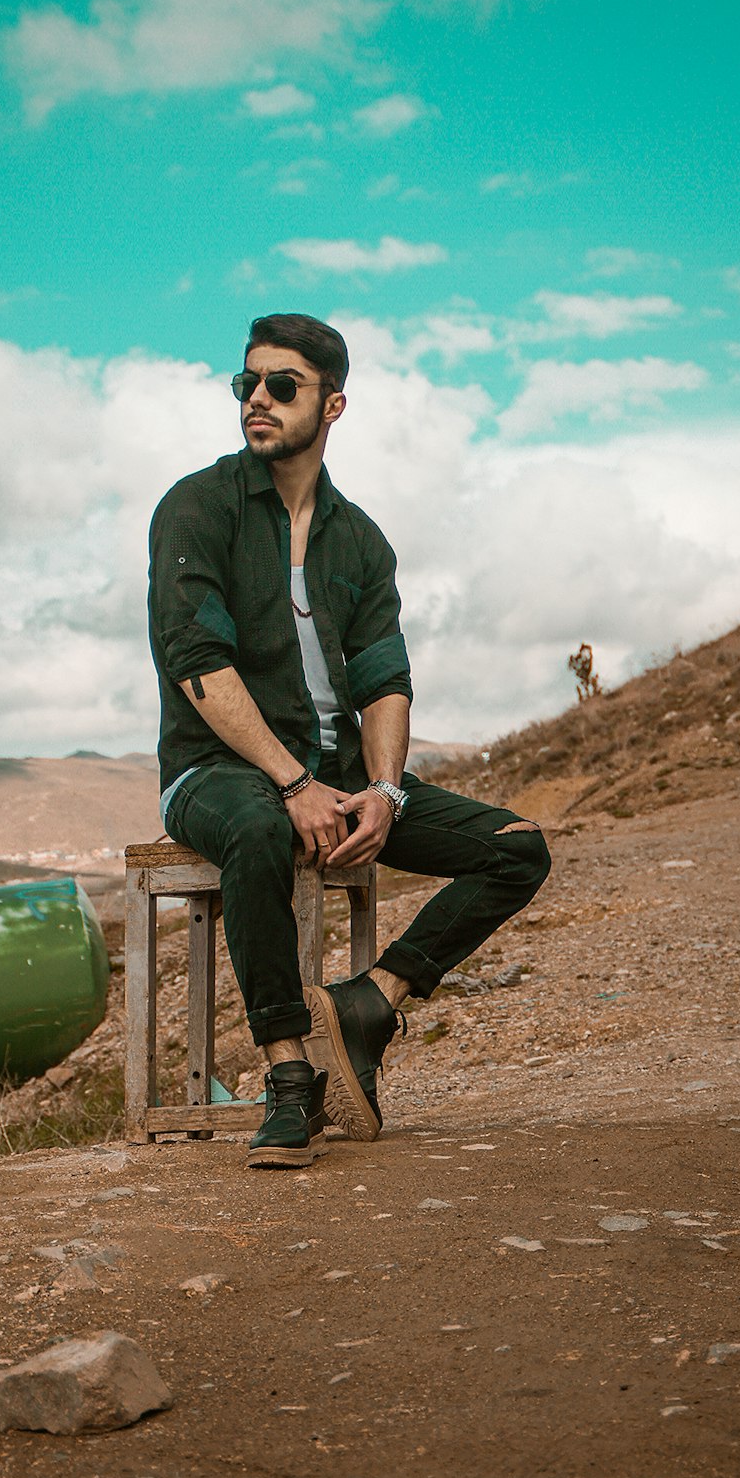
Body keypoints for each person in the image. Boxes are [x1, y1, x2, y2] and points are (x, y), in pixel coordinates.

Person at [148, 313, 550, 1168]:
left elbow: (385, 680)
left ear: (332, 406)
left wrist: (383, 791)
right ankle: (292, 1077)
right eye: (245, 383)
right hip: (216, 772)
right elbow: (197, 665)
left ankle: (372, 1000)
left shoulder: (359, 539)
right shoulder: (196, 508)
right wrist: (294, 784)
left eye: (280, 386)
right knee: (259, 828)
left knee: (517, 848)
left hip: (332, 773)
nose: (256, 399)